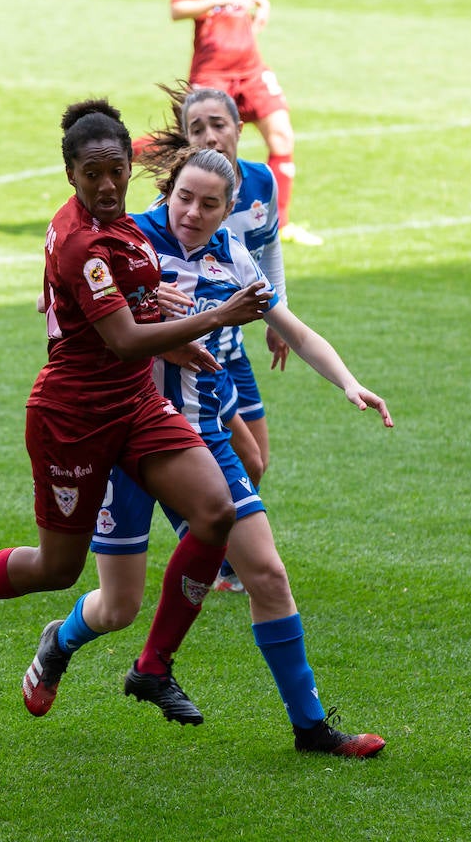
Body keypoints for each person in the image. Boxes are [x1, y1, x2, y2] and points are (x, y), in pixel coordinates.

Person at [20, 146, 391, 756]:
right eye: (183, 197)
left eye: (208, 203)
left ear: (229, 210)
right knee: (117, 607)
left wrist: (349, 381)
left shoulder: (235, 260)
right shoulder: (128, 238)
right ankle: (59, 644)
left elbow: (294, 330)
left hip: (200, 441)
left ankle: (312, 729)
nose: (191, 212)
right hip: (122, 437)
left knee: (268, 575)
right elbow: (66, 300)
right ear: (167, 192)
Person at [0, 100, 272, 718]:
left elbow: (127, 313)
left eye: (116, 171)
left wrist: (163, 315)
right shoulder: (84, 245)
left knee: (216, 512)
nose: (106, 186)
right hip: (74, 417)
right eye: (91, 175)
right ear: (70, 175)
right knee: (58, 568)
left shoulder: (116, 230)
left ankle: (154, 667)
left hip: (134, 402)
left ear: (132, 166)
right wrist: (216, 317)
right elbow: (124, 338)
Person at [153, 81, 288, 592]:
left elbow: (269, 251)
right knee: (240, 461)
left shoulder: (260, 185)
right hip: (188, 354)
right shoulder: (171, 206)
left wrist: (280, 319)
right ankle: (212, 556)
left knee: (257, 461)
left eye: (219, 124)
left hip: (231, 350)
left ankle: (219, 556)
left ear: (239, 128)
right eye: (197, 128)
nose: (210, 136)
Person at [168, 0, 322, 246]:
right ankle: (177, 210)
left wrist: (258, 1)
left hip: (251, 68)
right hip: (213, 71)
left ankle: (279, 225)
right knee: (193, 150)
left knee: (282, 135)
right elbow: (177, 7)